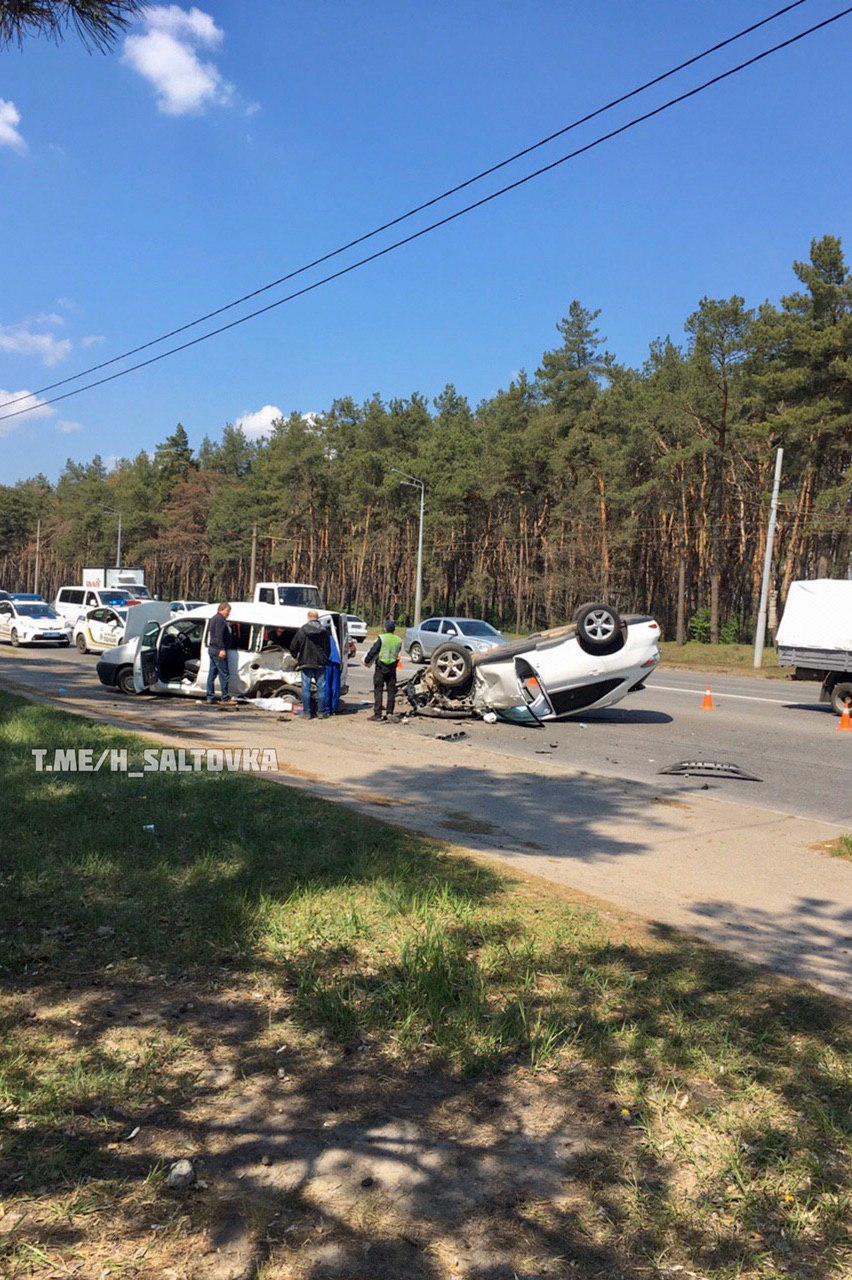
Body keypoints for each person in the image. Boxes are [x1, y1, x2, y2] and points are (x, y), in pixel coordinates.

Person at [290, 610, 331, 719]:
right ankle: (321, 712)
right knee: (321, 688)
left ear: (308, 617)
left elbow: (294, 645)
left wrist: (296, 656)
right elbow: (328, 648)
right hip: (320, 663)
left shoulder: (302, 630)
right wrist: (325, 658)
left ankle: (307, 713)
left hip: (306, 662)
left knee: (306, 688)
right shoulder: (324, 631)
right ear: (317, 618)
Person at [364, 618, 402, 721]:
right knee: (391, 691)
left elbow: (374, 650)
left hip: (381, 667)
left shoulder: (382, 638)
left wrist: (367, 660)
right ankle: (389, 713)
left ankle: (378, 714)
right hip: (392, 668)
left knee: (378, 690)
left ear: (385, 629)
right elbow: (398, 651)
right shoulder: (398, 640)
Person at [206, 602, 233, 704]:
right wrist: (222, 649)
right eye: (227, 611)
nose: (228, 613)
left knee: (212, 674)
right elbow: (219, 635)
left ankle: (210, 696)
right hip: (218, 650)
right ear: (222, 609)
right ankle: (225, 697)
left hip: (213, 649)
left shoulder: (214, 618)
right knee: (224, 674)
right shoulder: (220, 620)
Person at [323, 616, 343, 715]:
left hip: (328, 662)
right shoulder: (334, 638)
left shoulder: (323, 638)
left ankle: (327, 709)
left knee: (327, 686)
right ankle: (334, 708)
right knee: (335, 686)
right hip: (336, 661)